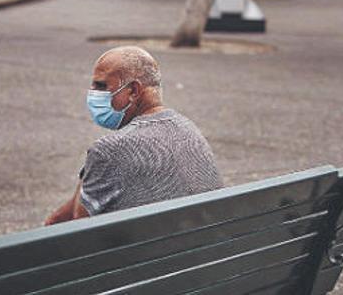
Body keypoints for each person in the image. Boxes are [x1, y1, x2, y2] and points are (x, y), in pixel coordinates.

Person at [45, 46, 222, 225]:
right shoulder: (187, 128)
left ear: (133, 91)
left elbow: (77, 226)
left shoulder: (109, 150)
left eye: (101, 86)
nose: (92, 93)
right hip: (203, 248)